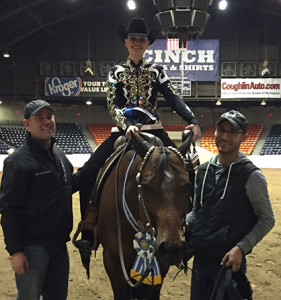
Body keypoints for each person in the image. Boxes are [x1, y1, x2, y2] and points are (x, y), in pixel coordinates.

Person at [75, 17, 201, 250]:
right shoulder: (116, 72)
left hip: (154, 129)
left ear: (147, 43)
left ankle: (189, 227)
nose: (137, 42)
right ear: (126, 41)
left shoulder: (157, 71)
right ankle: (89, 226)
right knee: (88, 173)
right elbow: (113, 104)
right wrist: (126, 124)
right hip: (123, 131)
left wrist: (192, 120)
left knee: (188, 172)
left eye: (141, 39)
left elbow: (173, 98)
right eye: (133, 39)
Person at [0, 100, 93, 300]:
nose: (46, 121)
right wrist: (15, 251)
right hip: (32, 248)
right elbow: (9, 209)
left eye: (49, 116)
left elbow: (69, 185)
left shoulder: (58, 154)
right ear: (27, 124)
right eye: (39, 118)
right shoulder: (18, 162)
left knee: (57, 297)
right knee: (29, 297)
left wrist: (94, 165)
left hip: (59, 245)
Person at [185, 110, 275, 300]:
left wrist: (241, 248)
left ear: (243, 137)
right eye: (221, 130)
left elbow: (267, 219)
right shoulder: (202, 171)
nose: (225, 136)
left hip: (228, 264)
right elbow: (196, 212)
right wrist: (182, 225)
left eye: (232, 132)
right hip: (200, 260)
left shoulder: (251, 176)